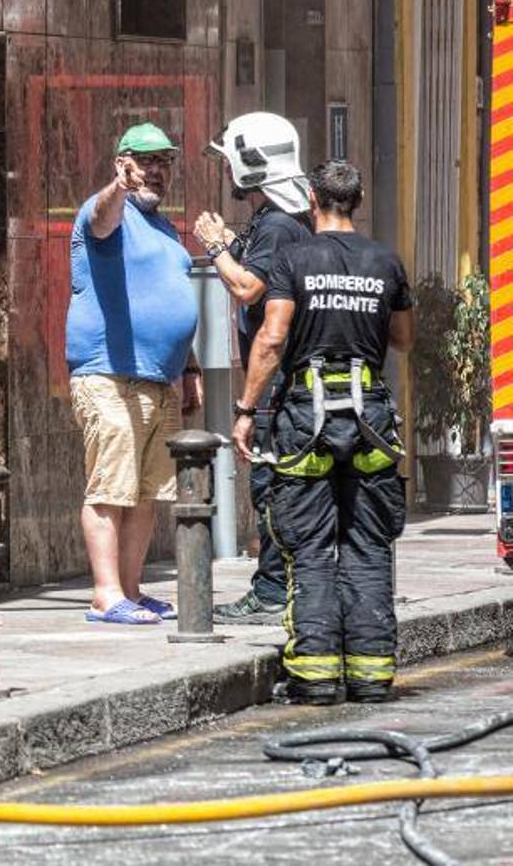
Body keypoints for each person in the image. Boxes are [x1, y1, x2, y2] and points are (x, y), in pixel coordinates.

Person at [232, 160, 413, 705]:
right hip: (370, 420)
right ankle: (372, 674)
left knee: (309, 547)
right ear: (357, 200)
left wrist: (246, 408)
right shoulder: (385, 261)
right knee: (368, 544)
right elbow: (403, 338)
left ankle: (315, 676)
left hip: (306, 416)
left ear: (312, 198)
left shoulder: (295, 258)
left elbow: (271, 338)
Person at [67, 122, 203, 626]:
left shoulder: (166, 230)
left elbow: (173, 300)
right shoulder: (104, 213)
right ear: (121, 162)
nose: (156, 171)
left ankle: (130, 588)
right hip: (108, 375)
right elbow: (102, 218)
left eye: (164, 162)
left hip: (158, 380)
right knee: (110, 486)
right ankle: (105, 594)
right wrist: (117, 189)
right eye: (145, 161)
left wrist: (187, 366)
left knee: (147, 492)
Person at [193, 113, 314, 624]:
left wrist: (216, 247)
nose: (225, 171)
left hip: (276, 384)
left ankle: (270, 592)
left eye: (230, 161)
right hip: (277, 382)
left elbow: (248, 289)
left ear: (252, 164)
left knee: (270, 488)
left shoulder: (281, 225)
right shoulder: (279, 222)